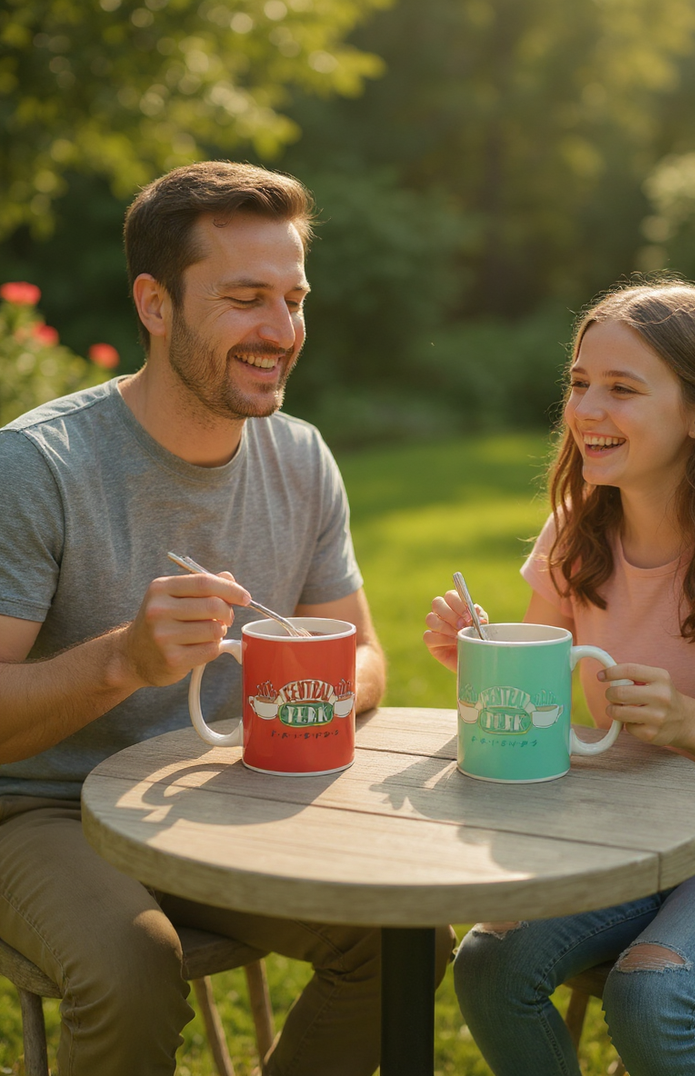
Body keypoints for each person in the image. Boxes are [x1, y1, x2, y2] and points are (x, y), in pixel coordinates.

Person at [0, 160, 452, 1076]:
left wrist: (295, 678)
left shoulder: (300, 457)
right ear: (154, 304)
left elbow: (364, 657)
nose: (281, 332)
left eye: (293, 298)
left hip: (221, 793)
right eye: (247, 298)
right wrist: (123, 661)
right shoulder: (37, 466)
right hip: (44, 811)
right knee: (134, 967)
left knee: (404, 939)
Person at [424, 279, 695, 1076]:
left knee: (648, 996)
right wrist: (485, 667)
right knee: (489, 966)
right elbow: (534, 715)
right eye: (579, 383)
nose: (587, 409)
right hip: (620, 841)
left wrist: (693, 725)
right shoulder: (575, 532)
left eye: (622, 389)